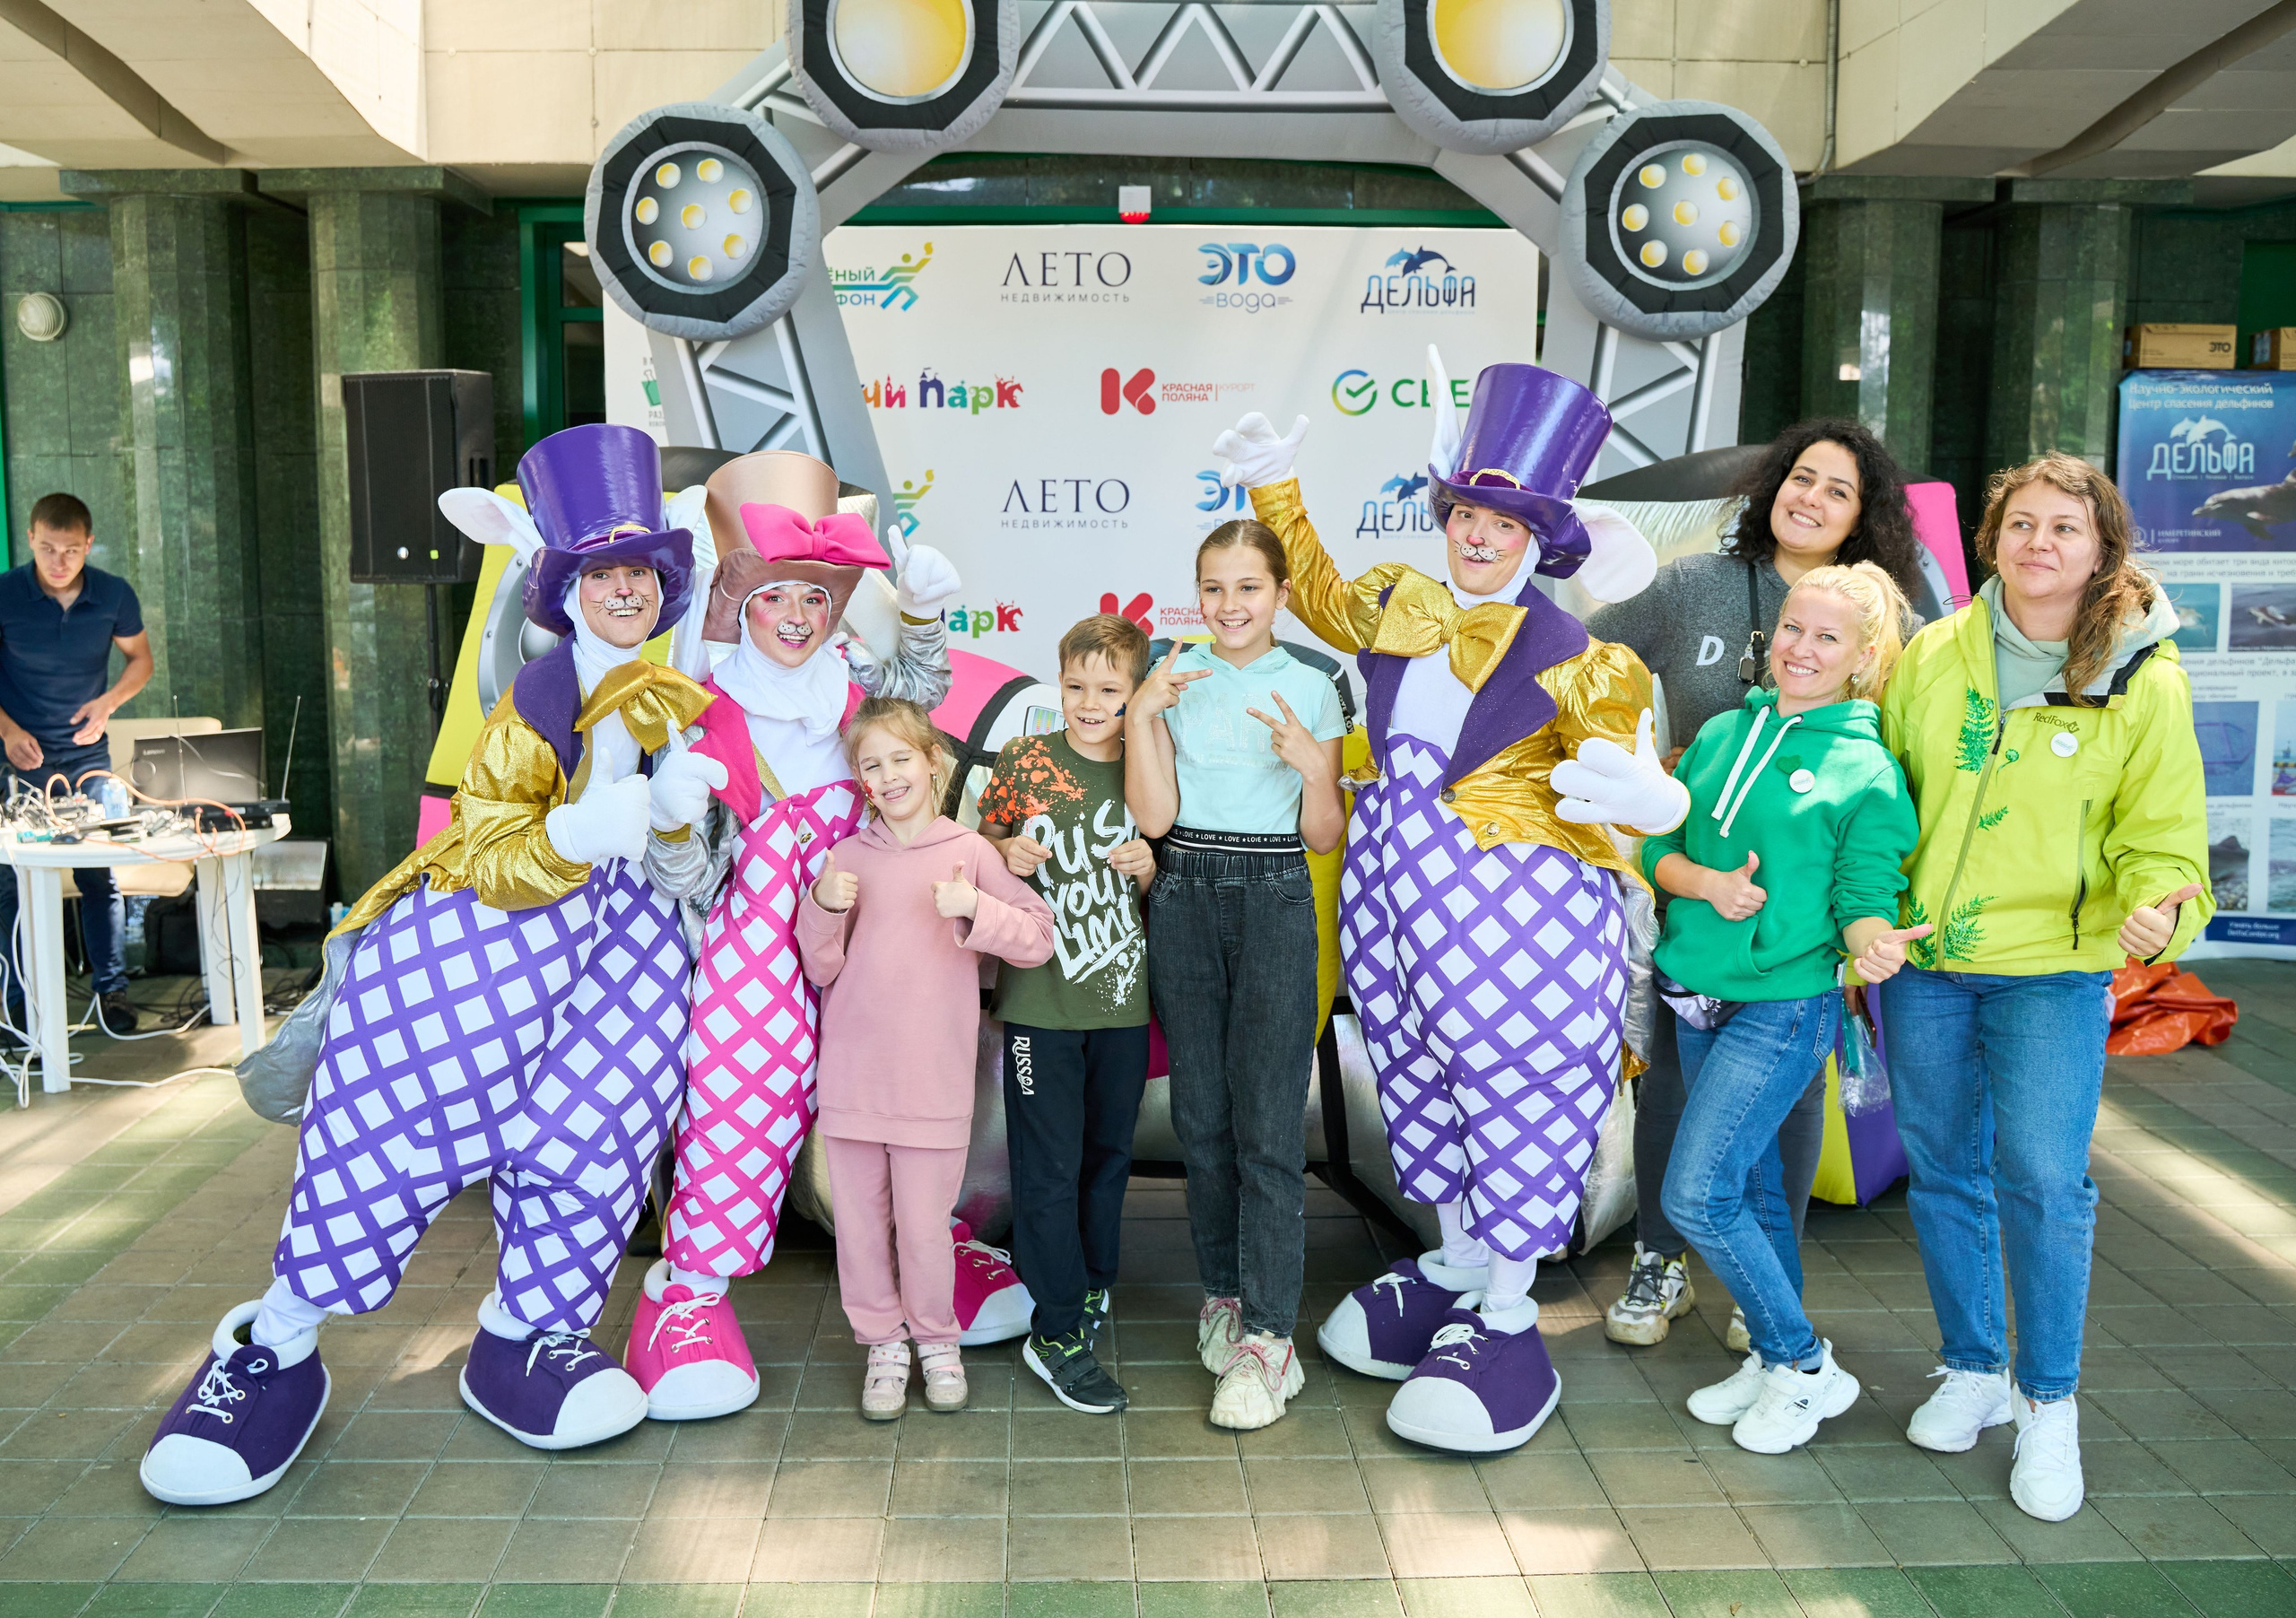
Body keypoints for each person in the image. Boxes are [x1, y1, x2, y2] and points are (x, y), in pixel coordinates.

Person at [139, 425, 727, 1505]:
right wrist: (587, 833)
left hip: (622, 957)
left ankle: (527, 1334)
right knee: (396, 1123)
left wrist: (678, 827)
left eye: (642, 570)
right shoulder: (533, 708)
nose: (627, 589)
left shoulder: (668, 709)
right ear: (563, 586)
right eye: (604, 572)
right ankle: (273, 1344)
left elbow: (694, 885)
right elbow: (495, 845)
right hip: (494, 943)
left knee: (599, 1128)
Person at [1221, 361, 1684, 1456]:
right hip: (1398, 903)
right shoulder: (1396, 601)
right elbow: (1322, 595)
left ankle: (1512, 1310)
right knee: (1422, 1080)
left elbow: (1639, 783)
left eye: (1504, 520)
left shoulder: (1582, 655)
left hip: (1519, 929)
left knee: (1513, 1091)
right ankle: (1458, 1264)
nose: (1478, 536)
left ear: (1540, 538)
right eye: (1466, 513)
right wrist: (1276, 487)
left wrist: (1650, 797)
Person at [1880, 452, 2207, 1522]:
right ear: (1990, 539)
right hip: (1929, 964)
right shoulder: (1932, 654)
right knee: (1940, 1169)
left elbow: (2162, 836)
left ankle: (2047, 1404)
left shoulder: (2143, 676)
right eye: (2021, 524)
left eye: (2064, 528)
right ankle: (1973, 1367)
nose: (2038, 545)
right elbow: (1884, 800)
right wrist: (1864, 920)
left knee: (2041, 1181)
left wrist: (2161, 904)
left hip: (2052, 973)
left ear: (2101, 546)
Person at [621, 449, 965, 1422]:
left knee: (912, 1087)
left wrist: (926, 617)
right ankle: (687, 1294)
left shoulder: (850, 686)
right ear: (743, 604)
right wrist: (676, 820)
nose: (801, 616)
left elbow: (918, 705)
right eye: (779, 596)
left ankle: (928, 1274)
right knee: (746, 1101)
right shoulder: (699, 709)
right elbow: (677, 876)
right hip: (752, 951)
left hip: (871, 929)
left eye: (817, 597)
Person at [1586, 419, 1926, 1352]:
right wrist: (1645, 769)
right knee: (1669, 1088)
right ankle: (1660, 1260)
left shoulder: (1889, 618)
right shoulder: (1693, 582)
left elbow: (1919, 740)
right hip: (1693, 894)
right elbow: (1581, 666)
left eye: (1837, 489)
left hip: (1806, 917)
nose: (1809, 498)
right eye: (1799, 477)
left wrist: (1870, 913)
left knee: (1787, 1100)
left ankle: (1762, 1287)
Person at [1642, 562, 1923, 1454]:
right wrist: (1708, 884)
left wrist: (1872, 941)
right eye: (1791, 630)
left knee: (1697, 1192)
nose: (1800, 650)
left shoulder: (1867, 770)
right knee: (1755, 1190)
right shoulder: (1723, 731)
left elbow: (1866, 893)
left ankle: (1803, 1366)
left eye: (1826, 637)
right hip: (1694, 992)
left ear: (1863, 657)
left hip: (1784, 1005)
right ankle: (1771, 1356)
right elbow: (1658, 845)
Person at [1125, 520, 1348, 1431]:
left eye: (1248, 587)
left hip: (1272, 895)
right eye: (1212, 587)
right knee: (1201, 1120)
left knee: (1265, 1126)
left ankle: (1269, 1336)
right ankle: (1223, 1296)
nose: (1229, 605)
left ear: (1282, 594)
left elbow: (1324, 835)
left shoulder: (1312, 686)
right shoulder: (1173, 674)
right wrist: (1143, 710)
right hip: (1182, 887)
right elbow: (1152, 813)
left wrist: (1310, 769)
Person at [797, 696, 1055, 1419]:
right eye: (871, 765)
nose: (889, 774)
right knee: (858, 1223)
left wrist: (975, 905)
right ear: (861, 781)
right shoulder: (844, 859)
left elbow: (1038, 936)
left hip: (934, 1084)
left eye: (901, 758)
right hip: (852, 1079)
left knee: (923, 1226)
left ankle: (937, 1341)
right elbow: (819, 968)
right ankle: (882, 1344)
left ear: (934, 762)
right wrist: (821, 903)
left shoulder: (970, 852)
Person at [977, 613, 1158, 1415]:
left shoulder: (1152, 766)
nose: (1090, 702)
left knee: (1107, 1156)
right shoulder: (1026, 759)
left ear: (1135, 693)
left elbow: (1169, 872)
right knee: (1045, 1167)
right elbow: (981, 843)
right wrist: (1004, 850)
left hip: (1121, 1003)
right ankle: (1053, 1331)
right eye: (1076, 686)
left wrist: (1150, 866)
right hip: (1040, 1004)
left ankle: (1089, 1286)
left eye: (1109, 690)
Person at [0, 492, 154, 1034]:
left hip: (88, 757)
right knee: (9, 885)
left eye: (70, 550)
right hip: (17, 760)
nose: (58, 562)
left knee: (99, 878)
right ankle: (20, 1010)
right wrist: (8, 730)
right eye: (47, 549)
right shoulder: (3, 594)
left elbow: (141, 659)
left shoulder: (113, 594)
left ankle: (111, 993)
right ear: (31, 540)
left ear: (89, 545)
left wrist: (108, 702)